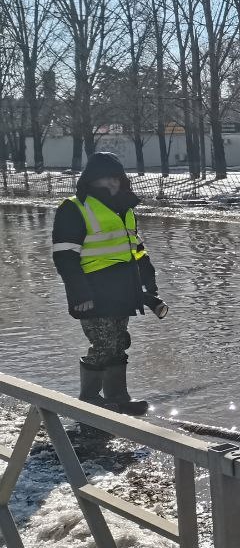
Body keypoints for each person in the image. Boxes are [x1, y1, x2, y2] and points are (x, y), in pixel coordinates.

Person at [51, 152, 167, 415]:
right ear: (92, 179)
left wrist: (148, 279)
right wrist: (80, 294)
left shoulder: (123, 208)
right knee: (103, 344)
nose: (113, 183)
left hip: (122, 289)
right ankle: (90, 401)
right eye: (107, 177)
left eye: (117, 177)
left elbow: (135, 247)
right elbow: (65, 257)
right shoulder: (74, 208)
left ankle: (118, 398)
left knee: (119, 342)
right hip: (92, 290)